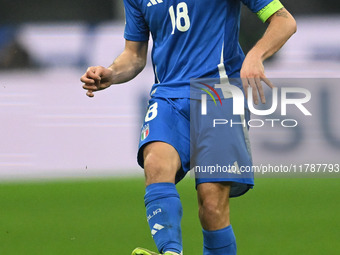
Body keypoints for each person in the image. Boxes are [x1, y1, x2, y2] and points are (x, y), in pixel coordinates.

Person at [81, 0, 296, 254]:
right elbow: (134, 55)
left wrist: (255, 56)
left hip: (219, 92)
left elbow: (284, 21)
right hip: (168, 95)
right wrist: (111, 72)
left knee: (212, 205)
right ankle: (171, 252)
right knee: (155, 164)